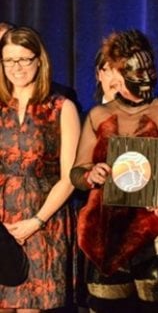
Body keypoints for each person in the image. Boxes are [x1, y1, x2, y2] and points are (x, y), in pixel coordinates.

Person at [69, 29, 158, 312]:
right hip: (107, 231)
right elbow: (77, 171)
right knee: (105, 306)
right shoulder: (98, 116)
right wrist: (90, 175)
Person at [0, 26, 81, 311]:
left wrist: (36, 221)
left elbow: (69, 176)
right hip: (2, 220)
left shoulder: (61, 107)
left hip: (43, 220)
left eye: (24, 59)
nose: (17, 67)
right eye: (9, 60)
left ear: (39, 60)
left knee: (31, 306)